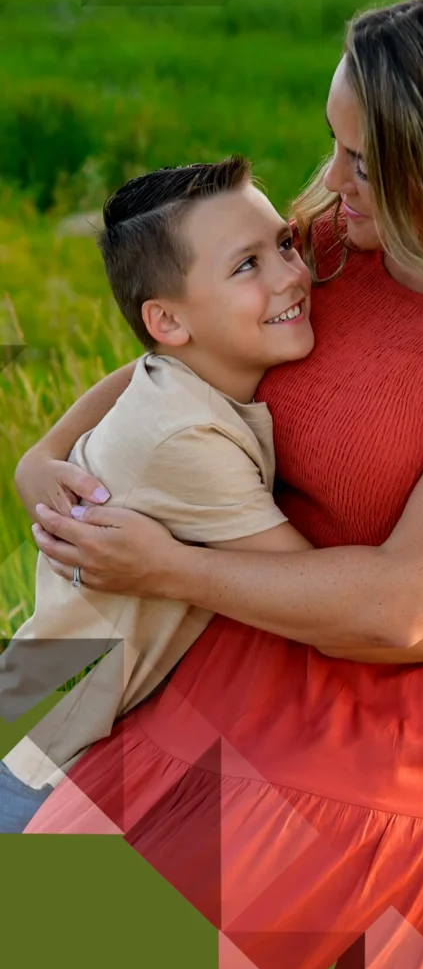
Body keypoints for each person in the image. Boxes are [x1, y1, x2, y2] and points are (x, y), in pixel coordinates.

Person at [17, 0, 423, 969]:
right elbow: (175, 362)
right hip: (238, 668)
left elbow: (394, 606)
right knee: (54, 960)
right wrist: (45, 461)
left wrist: (163, 564)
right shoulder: (335, 246)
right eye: (336, 144)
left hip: (406, 748)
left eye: (363, 161)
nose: (332, 183)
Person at [0, 156, 318, 832]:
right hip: (37, 754)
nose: (293, 274)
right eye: (246, 266)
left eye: (284, 244)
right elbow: (317, 596)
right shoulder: (183, 439)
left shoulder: (178, 377)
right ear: (169, 321)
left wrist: (41, 454)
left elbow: (135, 369)